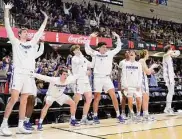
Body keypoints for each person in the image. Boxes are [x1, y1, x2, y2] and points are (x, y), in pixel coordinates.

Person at [0, 3, 48, 136]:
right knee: (14, 98)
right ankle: (3, 124)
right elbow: (8, 26)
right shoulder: (16, 42)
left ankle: (21, 125)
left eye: (27, 32)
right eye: (24, 32)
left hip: (29, 75)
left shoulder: (32, 44)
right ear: (20, 34)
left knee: (25, 99)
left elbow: (40, 31)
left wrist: (46, 19)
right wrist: (6, 11)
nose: (27, 33)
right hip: (19, 73)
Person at [85, 32, 124, 124]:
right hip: (98, 78)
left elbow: (118, 48)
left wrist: (118, 37)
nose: (105, 48)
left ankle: (118, 115)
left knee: (114, 96)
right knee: (97, 97)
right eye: (104, 47)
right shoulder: (94, 53)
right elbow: (87, 48)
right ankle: (95, 116)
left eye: (106, 47)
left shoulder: (110, 53)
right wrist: (90, 37)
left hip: (107, 78)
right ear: (99, 48)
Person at [24, 42, 45, 130]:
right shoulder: (24, 54)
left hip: (31, 78)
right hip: (24, 77)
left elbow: (41, 51)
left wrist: (42, 43)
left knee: (32, 100)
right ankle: (22, 121)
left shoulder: (33, 56)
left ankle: (26, 121)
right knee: (25, 100)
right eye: (34, 46)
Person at [70, 45, 93, 125]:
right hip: (78, 80)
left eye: (79, 48)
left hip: (86, 80)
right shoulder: (74, 58)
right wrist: (81, 56)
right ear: (73, 51)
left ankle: (84, 118)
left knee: (89, 98)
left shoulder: (83, 58)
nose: (78, 50)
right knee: (75, 101)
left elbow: (91, 65)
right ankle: (72, 119)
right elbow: (79, 63)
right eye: (76, 49)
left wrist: (94, 56)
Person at [122, 50, 142, 120]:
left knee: (139, 100)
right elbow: (123, 75)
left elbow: (140, 75)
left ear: (135, 55)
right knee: (130, 100)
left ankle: (139, 113)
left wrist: (139, 85)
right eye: (130, 53)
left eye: (133, 53)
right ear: (128, 55)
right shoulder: (125, 64)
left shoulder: (138, 64)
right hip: (128, 85)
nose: (131, 54)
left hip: (136, 85)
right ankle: (131, 113)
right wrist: (125, 85)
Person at [139, 50, 158, 120]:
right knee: (145, 97)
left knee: (146, 97)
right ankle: (145, 115)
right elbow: (147, 72)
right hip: (142, 81)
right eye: (147, 53)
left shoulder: (142, 61)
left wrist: (151, 70)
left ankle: (145, 114)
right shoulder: (141, 60)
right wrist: (152, 66)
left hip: (143, 80)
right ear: (145, 54)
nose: (148, 55)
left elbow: (148, 72)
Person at [163, 45, 180, 115]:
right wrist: (172, 52)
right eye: (171, 48)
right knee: (170, 92)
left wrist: (174, 52)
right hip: (168, 77)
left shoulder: (169, 56)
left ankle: (167, 108)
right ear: (169, 49)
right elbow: (167, 54)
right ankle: (168, 108)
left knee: (171, 92)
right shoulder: (165, 56)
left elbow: (177, 54)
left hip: (171, 76)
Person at [118, 50, 130, 119]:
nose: (127, 53)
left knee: (130, 97)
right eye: (126, 52)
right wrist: (119, 83)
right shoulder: (122, 62)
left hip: (131, 82)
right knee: (124, 97)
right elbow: (119, 73)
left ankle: (130, 112)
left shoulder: (133, 62)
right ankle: (123, 112)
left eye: (128, 52)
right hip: (123, 82)